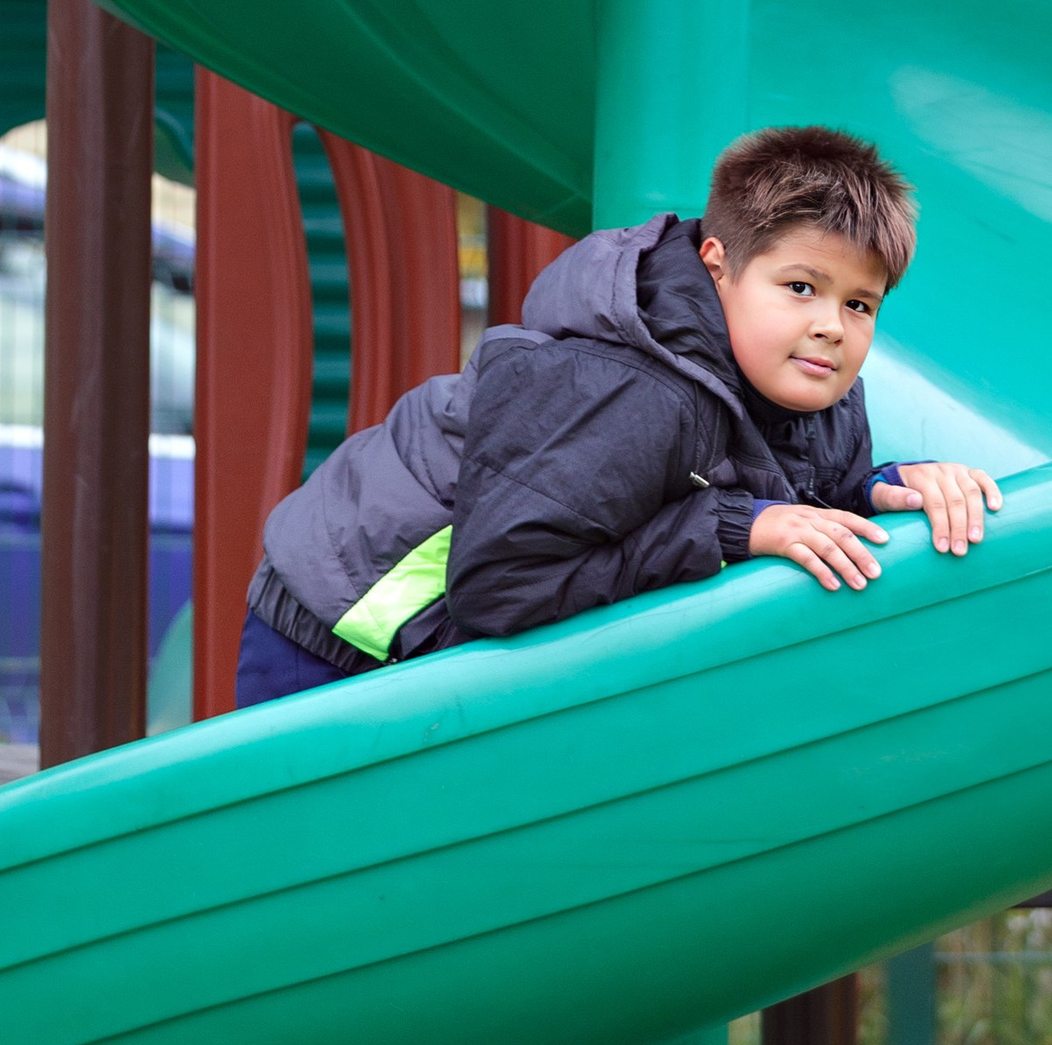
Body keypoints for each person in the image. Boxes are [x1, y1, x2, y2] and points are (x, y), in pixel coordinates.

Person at [234, 122, 1001, 705]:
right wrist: (732, 527)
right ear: (718, 265)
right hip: (343, 637)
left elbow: (808, 502)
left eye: (859, 302)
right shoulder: (628, 385)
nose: (833, 324)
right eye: (801, 286)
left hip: (458, 646)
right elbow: (502, 586)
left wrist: (887, 491)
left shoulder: (816, 387)